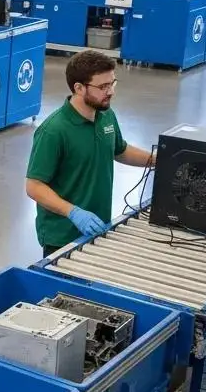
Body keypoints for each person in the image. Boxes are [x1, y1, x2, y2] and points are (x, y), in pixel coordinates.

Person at [25, 50, 155, 256]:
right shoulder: (54, 130)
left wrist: (156, 160)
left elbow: (119, 150)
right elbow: (34, 186)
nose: (110, 91)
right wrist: (73, 212)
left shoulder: (106, 115)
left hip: (99, 227)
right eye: (103, 86)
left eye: (112, 84)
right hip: (62, 235)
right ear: (79, 88)